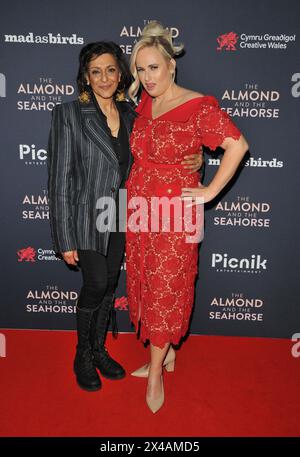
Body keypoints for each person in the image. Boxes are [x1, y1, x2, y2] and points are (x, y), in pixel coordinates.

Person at [47, 41, 203, 392]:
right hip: (85, 215)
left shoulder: (135, 112)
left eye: (110, 70)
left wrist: (198, 160)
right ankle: (82, 354)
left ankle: (100, 349)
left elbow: (166, 149)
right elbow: (58, 181)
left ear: (120, 74)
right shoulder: (68, 114)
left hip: (123, 213)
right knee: (97, 283)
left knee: (110, 285)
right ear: (86, 76)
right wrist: (64, 238)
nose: (104, 78)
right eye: (96, 71)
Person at [126, 21, 249, 413]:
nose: (147, 77)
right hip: (142, 211)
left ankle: (158, 372)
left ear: (171, 66)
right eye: (140, 70)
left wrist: (210, 190)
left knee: (166, 290)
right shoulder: (146, 103)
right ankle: (167, 355)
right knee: (148, 284)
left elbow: (237, 144)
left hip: (175, 217)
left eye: (153, 68)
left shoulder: (199, 106)